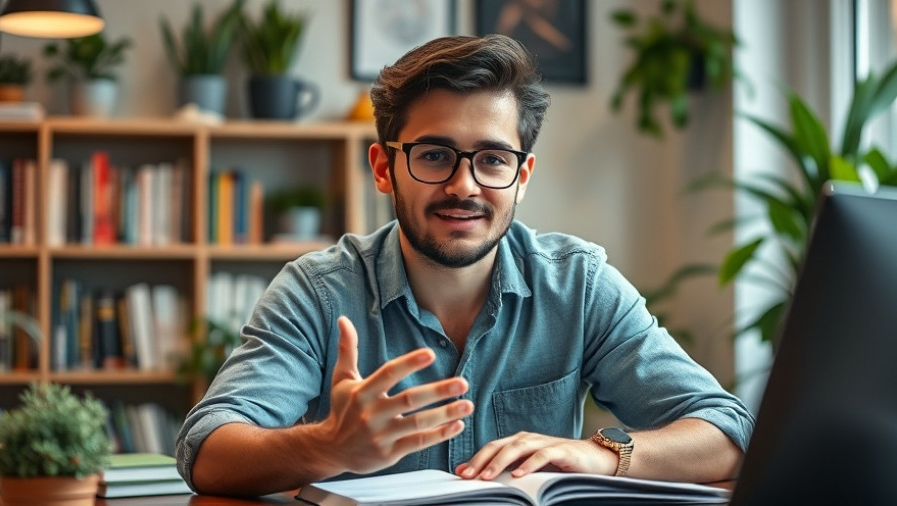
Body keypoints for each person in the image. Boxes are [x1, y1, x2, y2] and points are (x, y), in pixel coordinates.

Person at [175, 34, 754, 497]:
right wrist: (329, 445)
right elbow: (206, 451)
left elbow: (728, 432)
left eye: (493, 159)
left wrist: (596, 454)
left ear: (521, 177)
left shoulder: (579, 284)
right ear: (383, 168)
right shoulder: (317, 291)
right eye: (434, 155)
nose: (463, 185)